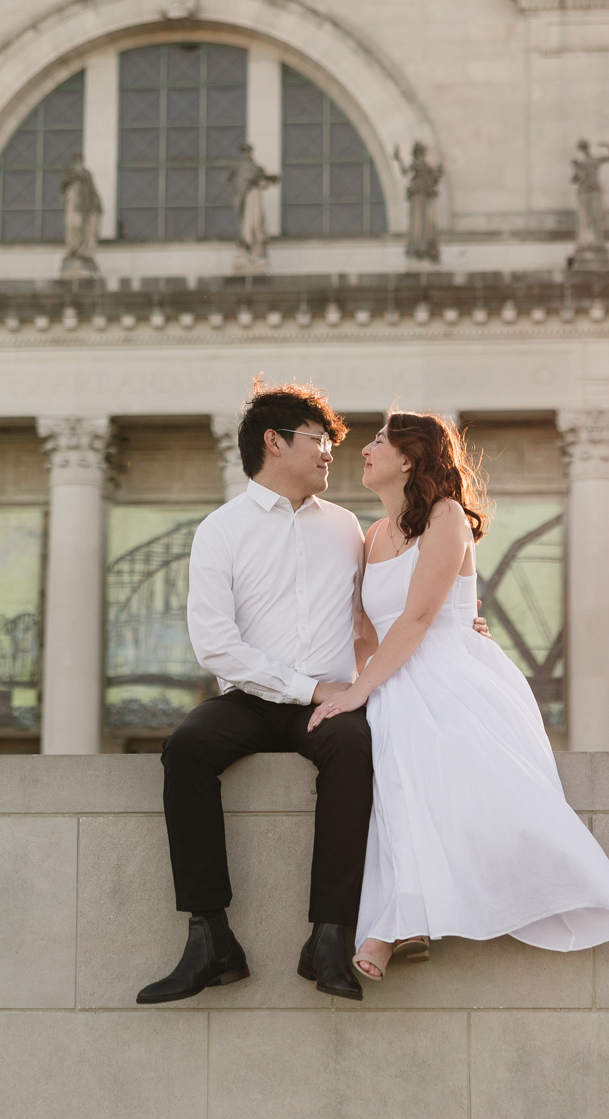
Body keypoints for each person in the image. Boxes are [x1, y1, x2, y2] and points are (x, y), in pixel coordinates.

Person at [137, 381, 492, 1005]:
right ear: (274, 443)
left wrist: (461, 624)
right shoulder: (220, 531)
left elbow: (386, 610)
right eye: (319, 440)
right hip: (251, 699)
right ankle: (209, 935)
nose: (332, 451)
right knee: (187, 748)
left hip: (331, 705)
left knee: (354, 750)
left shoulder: (349, 530)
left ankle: (329, 937)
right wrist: (306, 686)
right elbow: (214, 646)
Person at [308, 410, 609, 980]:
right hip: (393, 672)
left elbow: (417, 618)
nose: (365, 448)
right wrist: (351, 685)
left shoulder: (446, 516)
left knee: (406, 739)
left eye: (379, 441)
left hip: (448, 670)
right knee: (380, 746)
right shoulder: (372, 535)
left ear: (408, 459)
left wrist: (361, 690)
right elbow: (366, 632)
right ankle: (405, 917)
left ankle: (396, 923)